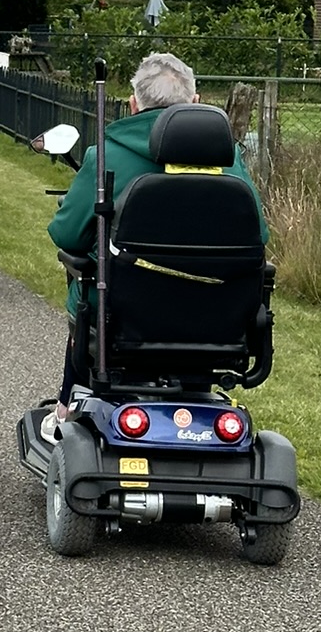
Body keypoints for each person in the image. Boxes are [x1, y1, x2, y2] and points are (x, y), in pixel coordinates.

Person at [41, 51, 266, 430]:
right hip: (219, 320)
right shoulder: (229, 165)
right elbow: (259, 237)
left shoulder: (105, 156)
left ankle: (66, 406)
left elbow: (67, 237)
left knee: (85, 287)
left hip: (124, 318)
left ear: (133, 105)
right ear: (195, 103)